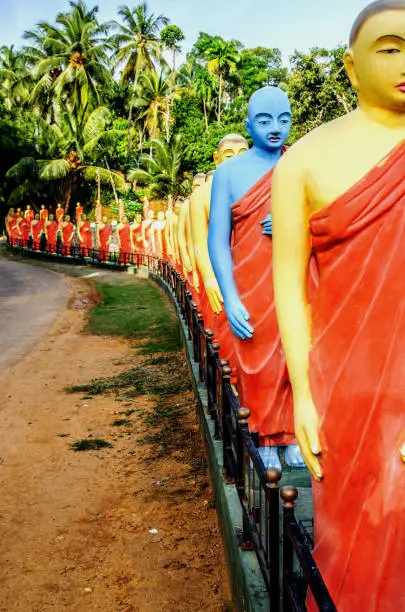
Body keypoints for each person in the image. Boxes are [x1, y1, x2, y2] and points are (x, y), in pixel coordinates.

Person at [271, 2, 405, 609]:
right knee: (349, 531)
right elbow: (288, 290)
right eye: (389, 47)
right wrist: (301, 390)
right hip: (344, 382)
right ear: (351, 67)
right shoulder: (305, 159)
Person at [208, 86, 304, 471]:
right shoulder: (229, 172)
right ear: (248, 125)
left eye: (283, 119)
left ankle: (294, 434)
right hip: (250, 280)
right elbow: (217, 240)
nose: (275, 128)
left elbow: (325, 220)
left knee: (295, 354)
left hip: (297, 277)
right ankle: (263, 436)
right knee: (256, 356)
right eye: (264, 121)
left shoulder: (300, 164)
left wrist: (293, 224)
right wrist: (230, 296)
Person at [190, 135, 249, 361]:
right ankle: (226, 384)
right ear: (217, 159)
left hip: (252, 271)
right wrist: (208, 276)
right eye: (228, 155)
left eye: (242, 154)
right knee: (224, 333)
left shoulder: (257, 185)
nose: (235, 160)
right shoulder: (202, 195)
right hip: (222, 274)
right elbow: (198, 242)